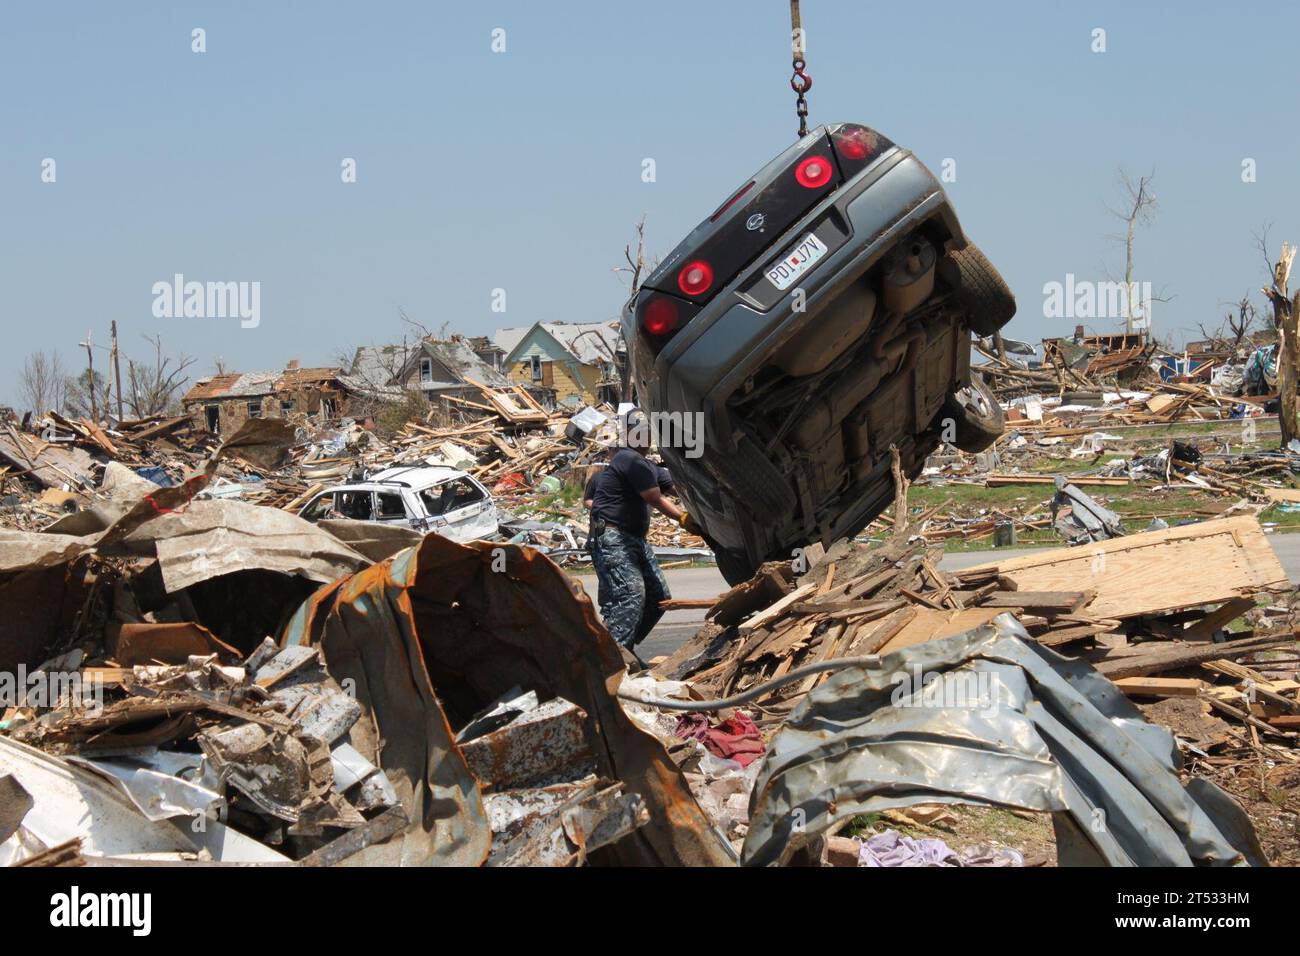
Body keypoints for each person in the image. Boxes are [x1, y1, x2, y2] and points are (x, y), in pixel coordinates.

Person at [583, 411, 701, 655]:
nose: (644, 436)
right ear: (628, 434)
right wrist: (682, 517)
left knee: (659, 597)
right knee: (631, 595)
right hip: (612, 537)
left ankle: (621, 650)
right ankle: (611, 659)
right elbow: (654, 498)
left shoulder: (648, 466)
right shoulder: (628, 459)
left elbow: (677, 488)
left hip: (635, 538)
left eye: (647, 431)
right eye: (638, 431)